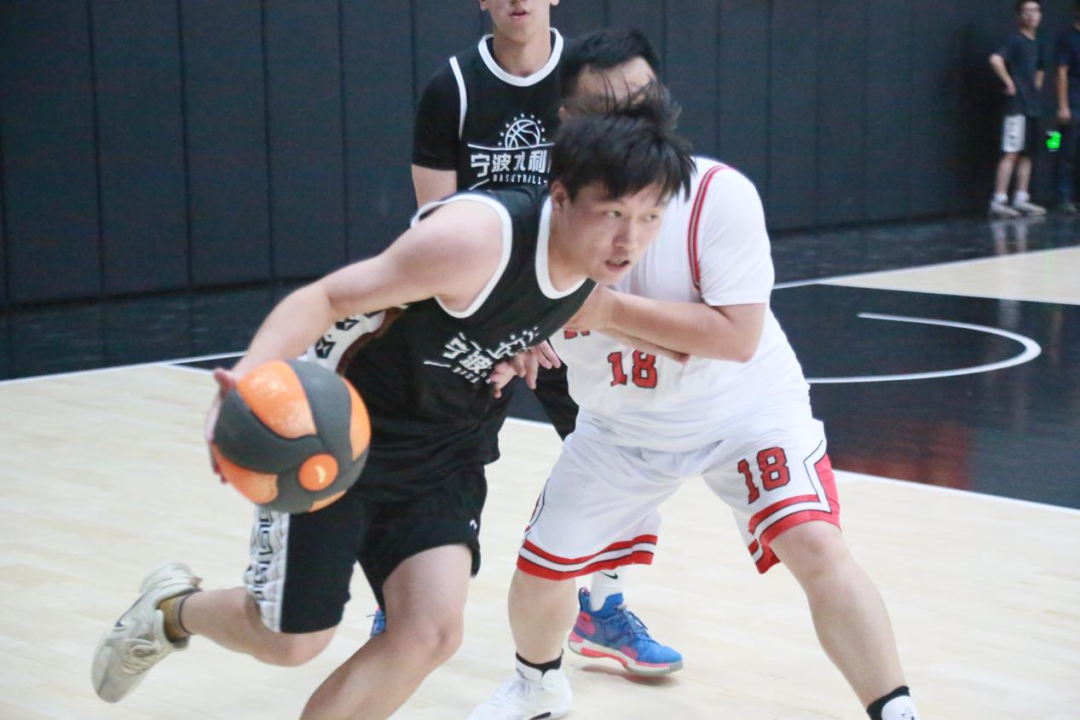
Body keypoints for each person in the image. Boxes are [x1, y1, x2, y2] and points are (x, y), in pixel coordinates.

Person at [90, 93, 694, 720]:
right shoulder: (475, 240)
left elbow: (641, 322)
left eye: (650, 217)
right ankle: (171, 611)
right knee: (291, 642)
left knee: (430, 633)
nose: (630, 238)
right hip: (337, 436)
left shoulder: (591, 272)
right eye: (613, 213)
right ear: (561, 196)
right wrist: (244, 383)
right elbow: (325, 298)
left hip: (443, 451)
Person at [470, 29, 923, 720]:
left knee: (814, 542)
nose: (631, 121)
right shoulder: (540, 216)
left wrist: (603, 310)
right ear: (570, 121)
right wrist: (515, 339)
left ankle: (896, 709)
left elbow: (734, 338)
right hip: (621, 427)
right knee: (539, 570)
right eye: (608, 109)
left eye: (642, 102)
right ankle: (538, 688)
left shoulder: (716, 193)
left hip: (745, 412)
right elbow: (498, 315)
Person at [405, 0, 682, 670]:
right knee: (445, 460)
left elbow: (629, 191)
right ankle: (405, 594)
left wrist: (559, 308)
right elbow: (436, 223)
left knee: (621, 455)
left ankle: (603, 608)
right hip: (481, 310)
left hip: (577, 304)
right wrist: (511, 313)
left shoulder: (590, 75)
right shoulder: (453, 88)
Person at [989, 0, 1048, 218]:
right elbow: (995, 59)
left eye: (1035, 11)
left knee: (1027, 154)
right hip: (1016, 106)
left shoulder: (1038, 43)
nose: (1032, 15)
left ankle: (1021, 198)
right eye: (1027, 11)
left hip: (1033, 107)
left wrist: (1035, 87)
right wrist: (1009, 82)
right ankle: (999, 200)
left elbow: (1041, 68)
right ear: (1020, 16)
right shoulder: (1015, 40)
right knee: (1011, 152)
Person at [1054, 0, 1080, 213]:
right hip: (1074, 98)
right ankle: (1063, 197)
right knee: (1068, 150)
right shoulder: (1068, 37)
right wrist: (1063, 106)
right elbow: (1061, 72)